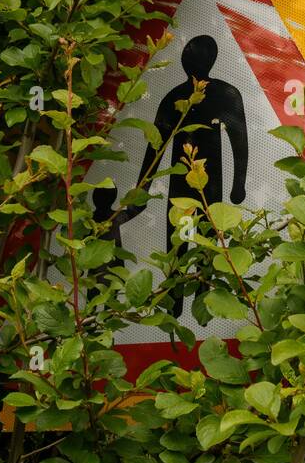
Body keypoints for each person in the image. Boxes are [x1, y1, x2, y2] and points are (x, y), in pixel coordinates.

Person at [93, 35, 248, 319]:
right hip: (184, 186)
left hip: (208, 187)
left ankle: (202, 303)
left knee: (203, 242)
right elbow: (156, 150)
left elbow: (239, 141)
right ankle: (177, 302)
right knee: (181, 243)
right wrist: (140, 196)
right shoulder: (175, 98)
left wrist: (239, 186)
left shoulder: (225, 96)